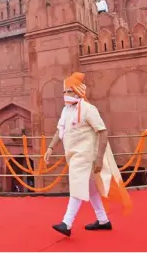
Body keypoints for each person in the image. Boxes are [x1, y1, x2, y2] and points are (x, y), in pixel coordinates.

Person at [45, 72, 131, 237]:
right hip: (73, 154)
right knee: (91, 189)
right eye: (64, 91)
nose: (65, 95)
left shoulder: (88, 109)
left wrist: (98, 158)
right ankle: (103, 220)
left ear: (77, 91)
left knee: (77, 184)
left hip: (86, 155)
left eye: (68, 91)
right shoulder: (66, 110)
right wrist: (50, 148)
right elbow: (59, 130)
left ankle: (67, 223)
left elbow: (103, 132)